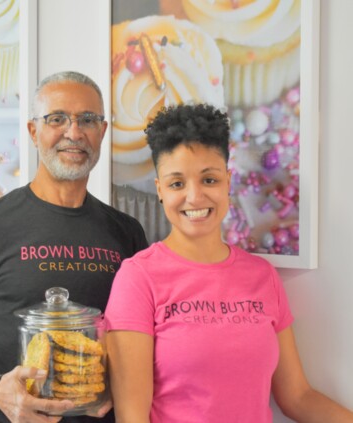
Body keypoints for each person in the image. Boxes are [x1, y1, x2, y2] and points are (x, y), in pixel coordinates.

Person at [104, 103, 353, 423]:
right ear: (160, 191)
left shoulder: (263, 277)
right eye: (177, 183)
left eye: (208, 180)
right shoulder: (138, 279)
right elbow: (132, 418)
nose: (194, 197)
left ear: (227, 181)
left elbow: (298, 396)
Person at [0, 70, 148, 423]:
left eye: (87, 119)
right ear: (33, 131)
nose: (73, 133)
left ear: (102, 132)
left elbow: (141, 338)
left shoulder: (127, 233)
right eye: (57, 118)